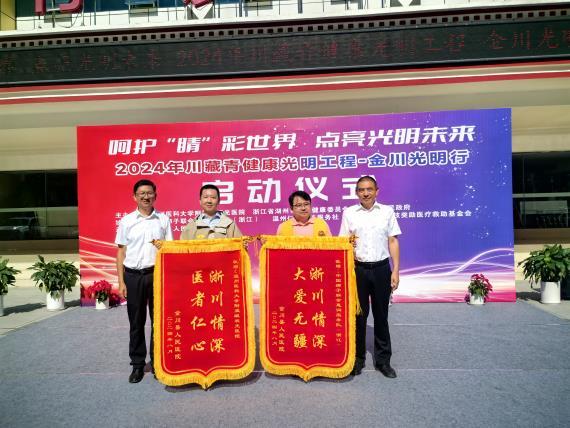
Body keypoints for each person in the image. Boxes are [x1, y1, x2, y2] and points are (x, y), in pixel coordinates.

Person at [339, 176, 401, 378]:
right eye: (361, 190)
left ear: (377, 191)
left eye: (369, 189)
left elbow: (393, 241)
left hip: (382, 269)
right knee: (358, 316)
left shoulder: (387, 212)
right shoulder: (349, 213)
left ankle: (383, 361)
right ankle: (357, 359)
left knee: (381, 316)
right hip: (358, 270)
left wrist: (395, 269)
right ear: (356, 192)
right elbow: (344, 243)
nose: (365, 193)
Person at [116, 179, 173, 384]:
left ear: (155, 196)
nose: (146, 197)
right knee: (136, 322)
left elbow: (169, 250)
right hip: (133, 276)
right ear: (135, 197)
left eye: (149, 193)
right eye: (142, 193)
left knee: (158, 321)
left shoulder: (163, 220)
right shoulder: (127, 221)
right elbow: (121, 252)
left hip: (156, 275)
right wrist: (121, 282)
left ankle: (158, 363)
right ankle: (138, 365)